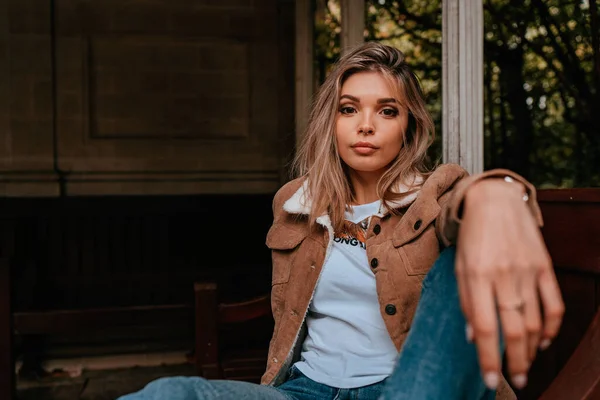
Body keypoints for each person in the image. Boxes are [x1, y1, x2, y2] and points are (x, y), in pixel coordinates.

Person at [117, 42, 564, 400]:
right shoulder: (296, 202)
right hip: (305, 391)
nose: (365, 125)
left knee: (460, 263)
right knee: (171, 392)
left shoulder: (434, 195)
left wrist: (495, 195)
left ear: (408, 126)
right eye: (349, 109)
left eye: (387, 111)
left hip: (408, 388)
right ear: (330, 121)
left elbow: (462, 201)